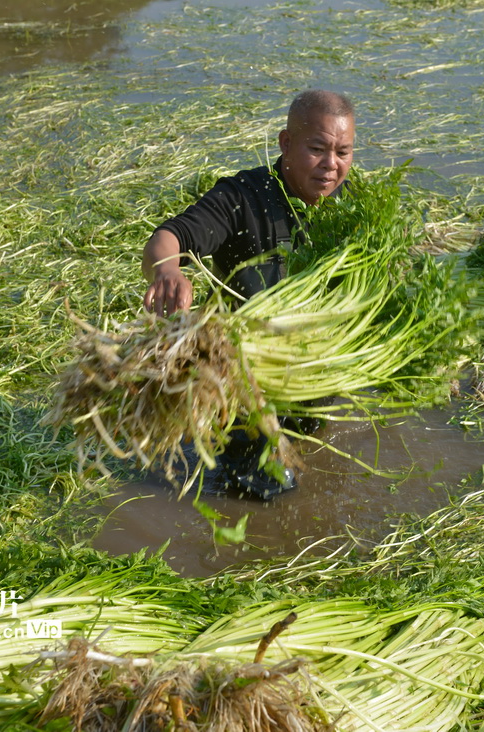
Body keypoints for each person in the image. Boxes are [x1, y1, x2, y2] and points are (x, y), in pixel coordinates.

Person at [141, 89, 356, 499]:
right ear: (286, 143)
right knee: (263, 491)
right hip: (242, 378)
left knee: (318, 454)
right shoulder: (243, 198)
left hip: (316, 372)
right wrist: (166, 271)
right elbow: (169, 237)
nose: (331, 165)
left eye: (343, 152)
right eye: (317, 149)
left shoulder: (354, 207)